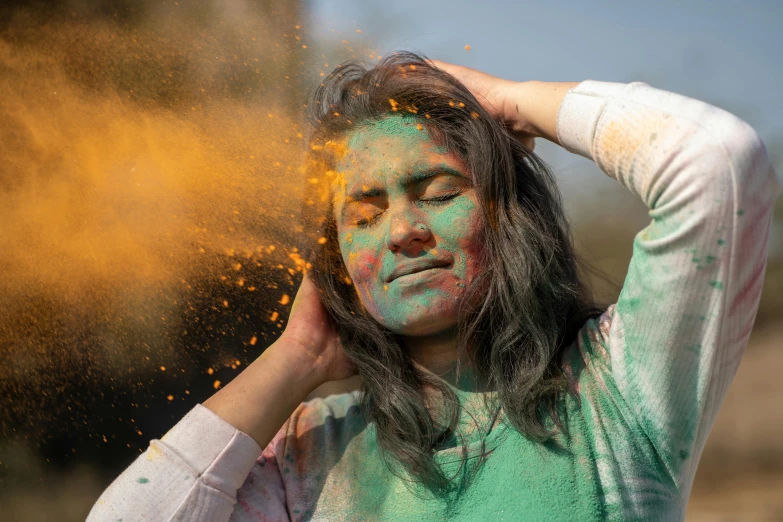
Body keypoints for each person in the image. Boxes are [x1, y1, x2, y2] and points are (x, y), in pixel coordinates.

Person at [87, 52, 779, 521]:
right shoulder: (311, 456)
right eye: (363, 213)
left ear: (511, 216)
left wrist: (508, 102)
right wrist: (293, 359)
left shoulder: (616, 387)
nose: (401, 231)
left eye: (439, 190)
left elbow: (716, 163)